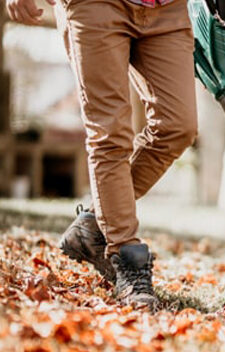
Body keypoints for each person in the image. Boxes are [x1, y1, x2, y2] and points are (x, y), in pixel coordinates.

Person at [6, 0, 198, 308]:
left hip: (168, 7)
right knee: (110, 133)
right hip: (94, 5)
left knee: (178, 126)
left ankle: (93, 223)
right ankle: (128, 260)